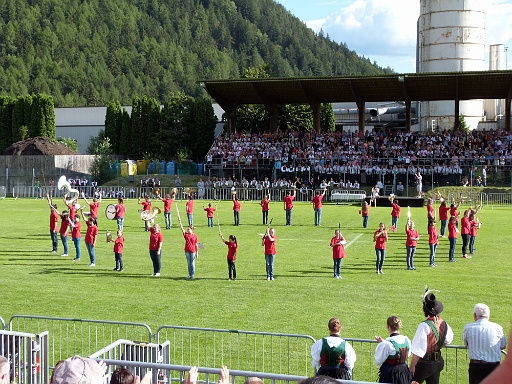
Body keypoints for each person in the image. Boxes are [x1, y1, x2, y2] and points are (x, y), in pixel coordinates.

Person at [409, 289, 454, 384]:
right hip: (438, 362)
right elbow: (448, 340)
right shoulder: (444, 324)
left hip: (425, 364)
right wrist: (437, 344)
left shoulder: (424, 326)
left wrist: (412, 366)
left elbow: (418, 349)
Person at [462, 303, 507, 384]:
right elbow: (503, 345)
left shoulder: (468, 328)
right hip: (494, 367)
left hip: (476, 367)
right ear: (488, 315)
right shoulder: (498, 328)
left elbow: (466, 344)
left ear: (475, 315)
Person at [374, 316, 412, 384]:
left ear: (388, 327)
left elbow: (378, 360)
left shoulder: (387, 344)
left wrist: (383, 343)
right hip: (404, 371)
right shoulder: (406, 340)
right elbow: (407, 354)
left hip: (390, 373)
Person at [178, 214, 198, 279]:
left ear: (192, 230)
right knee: (189, 263)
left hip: (193, 251)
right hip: (187, 250)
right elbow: (182, 229)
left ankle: (192, 275)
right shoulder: (186, 235)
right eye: (187, 229)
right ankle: (190, 274)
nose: (187, 230)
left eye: (189, 229)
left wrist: (197, 252)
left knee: (192, 263)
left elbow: (196, 244)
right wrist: (180, 221)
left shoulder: (195, 236)